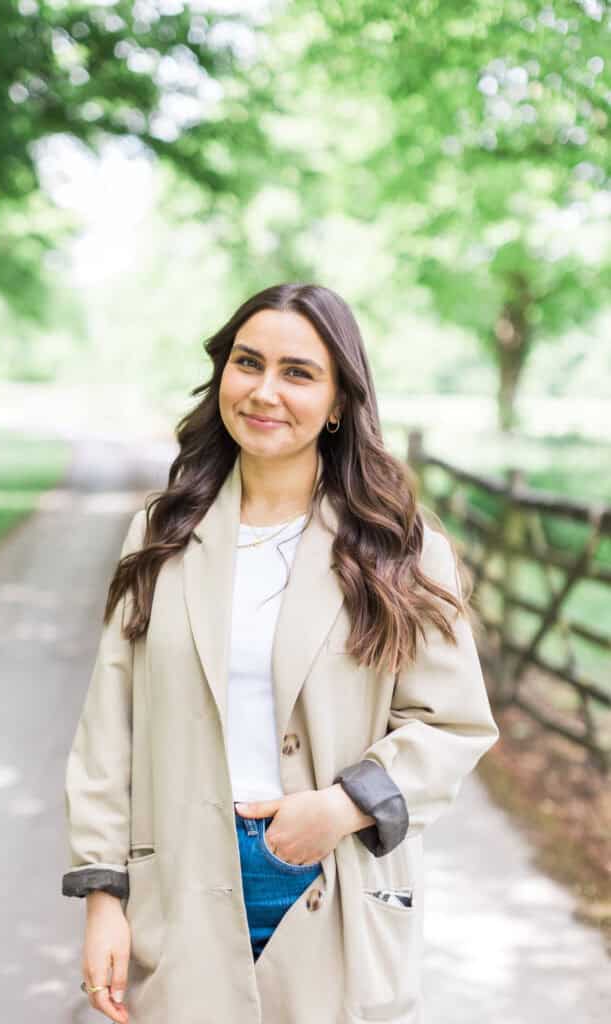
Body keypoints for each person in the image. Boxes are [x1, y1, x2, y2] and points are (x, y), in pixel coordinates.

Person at [61, 282, 500, 1024]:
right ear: (223, 374)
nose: (264, 391)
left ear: (337, 403)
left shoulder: (401, 547)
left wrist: (340, 807)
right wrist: (103, 895)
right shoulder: (160, 535)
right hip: (180, 875)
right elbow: (111, 727)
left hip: (329, 873)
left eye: (297, 373)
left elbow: (453, 725)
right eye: (247, 363)